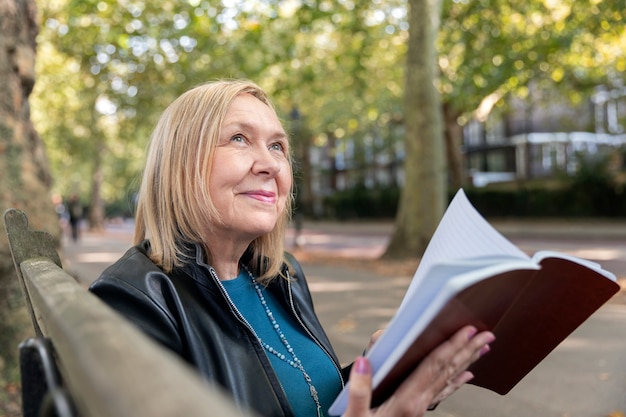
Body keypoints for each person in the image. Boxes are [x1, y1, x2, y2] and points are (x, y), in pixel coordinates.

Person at [89, 80, 494, 417]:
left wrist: (382, 375)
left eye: (278, 146)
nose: (271, 165)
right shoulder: (134, 300)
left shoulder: (282, 274)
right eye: (239, 139)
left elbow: (303, 400)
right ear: (180, 164)